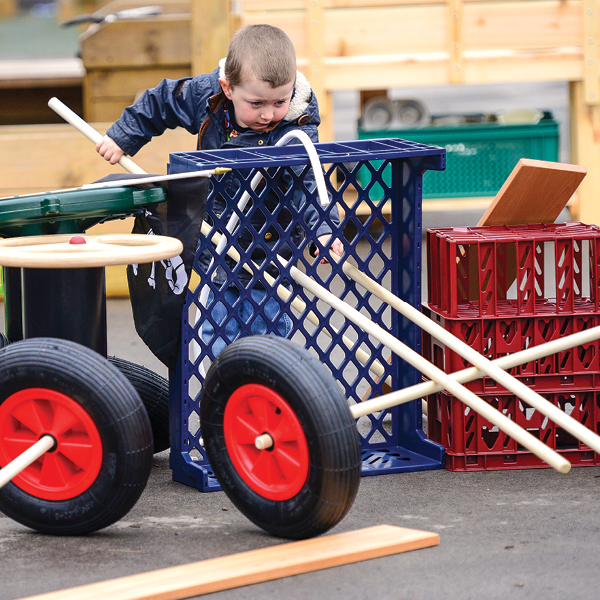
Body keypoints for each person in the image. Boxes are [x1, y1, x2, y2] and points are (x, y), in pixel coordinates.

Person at [96, 23, 342, 357]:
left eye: (279, 101)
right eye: (256, 104)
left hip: (271, 250)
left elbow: (309, 183)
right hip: (217, 244)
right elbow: (161, 102)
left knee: (266, 334)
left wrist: (322, 230)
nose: (269, 114)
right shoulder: (205, 96)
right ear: (227, 88)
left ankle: (265, 393)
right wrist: (123, 135)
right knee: (216, 332)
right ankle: (221, 397)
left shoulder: (296, 124)